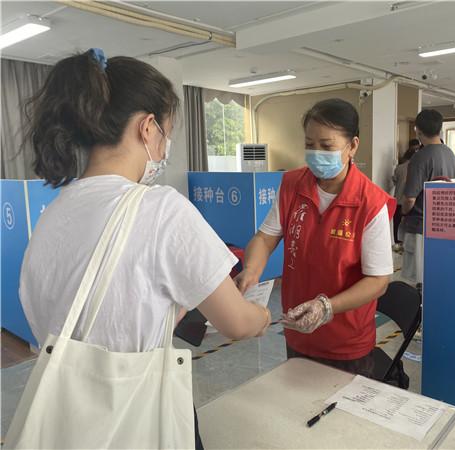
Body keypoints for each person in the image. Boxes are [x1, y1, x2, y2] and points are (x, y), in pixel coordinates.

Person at [18, 50, 270, 449]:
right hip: (138, 417)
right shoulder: (160, 208)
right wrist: (263, 315)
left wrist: (162, 312)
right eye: (166, 133)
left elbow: (68, 318)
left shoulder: (53, 215)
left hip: (67, 421)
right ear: (147, 128)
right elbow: (237, 323)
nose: (165, 147)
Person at [235, 98, 395, 377]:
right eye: (310, 144)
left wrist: (326, 307)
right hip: (298, 329)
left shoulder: (370, 202)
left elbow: (378, 281)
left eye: (326, 146)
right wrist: (251, 270)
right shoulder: (292, 185)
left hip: (346, 342)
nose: (316, 153)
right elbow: (265, 238)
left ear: (352, 146)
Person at [401, 109, 455, 285]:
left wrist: (404, 212)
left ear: (418, 130)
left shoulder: (420, 157)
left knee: (416, 279)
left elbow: (410, 198)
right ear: (440, 129)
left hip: (421, 225)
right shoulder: (449, 153)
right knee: (436, 275)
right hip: (444, 224)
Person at [391, 139, 420, 251]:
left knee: (397, 223)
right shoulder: (418, 168)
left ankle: (397, 243)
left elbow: (394, 180)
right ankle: (408, 245)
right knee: (409, 224)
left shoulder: (399, 168)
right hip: (412, 200)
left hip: (398, 200)